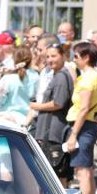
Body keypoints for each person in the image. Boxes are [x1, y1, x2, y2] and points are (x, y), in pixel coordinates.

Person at [64, 41, 97, 194]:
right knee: (87, 171)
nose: (74, 60)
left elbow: (83, 108)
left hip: (83, 125)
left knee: (82, 173)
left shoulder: (88, 79)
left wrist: (73, 134)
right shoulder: (96, 77)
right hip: (90, 124)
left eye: (76, 57)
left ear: (86, 57)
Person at [32, 43, 73, 186]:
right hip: (48, 130)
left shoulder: (62, 76)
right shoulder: (54, 75)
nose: (50, 59)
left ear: (63, 56)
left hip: (55, 132)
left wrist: (37, 106)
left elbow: (58, 103)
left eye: (54, 56)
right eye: (48, 56)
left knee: (58, 170)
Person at [0, 47, 32, 126]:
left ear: (14, 59)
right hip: (29, 119)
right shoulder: (36, 76)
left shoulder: (8, 78)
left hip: (10, 119)